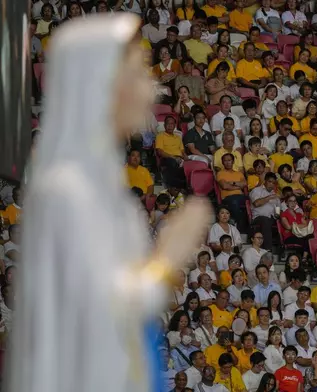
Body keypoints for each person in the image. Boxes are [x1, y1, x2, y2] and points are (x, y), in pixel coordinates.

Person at [11, 14, 215, 392]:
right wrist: (167, 259)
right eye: (137, 74)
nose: (150, 88)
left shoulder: (109, 193)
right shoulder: (66, 190)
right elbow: (97, 308)